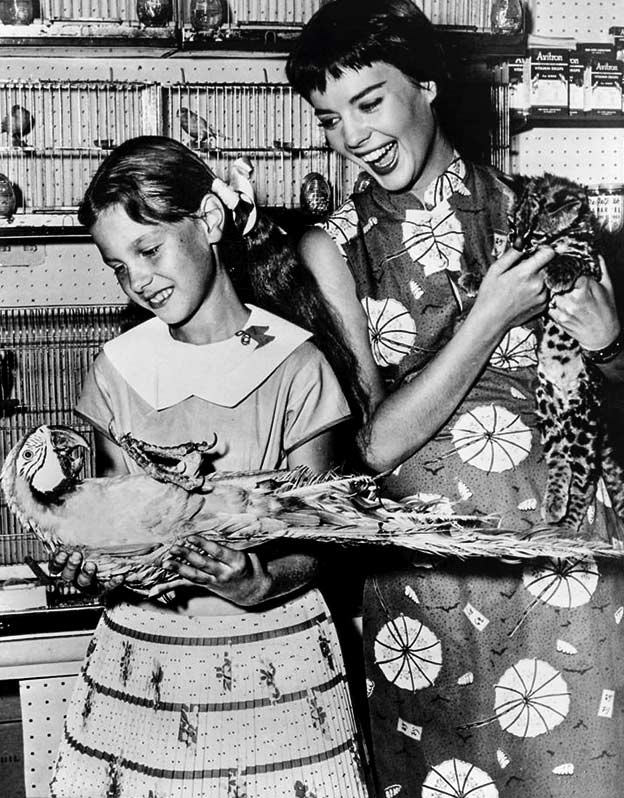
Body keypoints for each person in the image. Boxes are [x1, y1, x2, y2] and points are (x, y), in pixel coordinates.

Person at [286, 2, 624, 796]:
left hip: (566, 568)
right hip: (426, 589)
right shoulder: (331, 248)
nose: (353, 136)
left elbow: (612, 404)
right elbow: (365, 450)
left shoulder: (541, 210)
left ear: (429, 83)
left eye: (369, 102)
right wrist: (489, 318)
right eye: (330, 119)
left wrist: (612, 342)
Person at [48, 136, 370, 798]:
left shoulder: (294, 365)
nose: (138, 279)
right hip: (146, 664)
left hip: (272, 667)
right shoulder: (119, 369)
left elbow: (317, 542)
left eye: (149, 249)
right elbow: (119, 521)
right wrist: (91, 556)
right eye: (118, 266)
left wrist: (255, 582)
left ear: (210, 222)